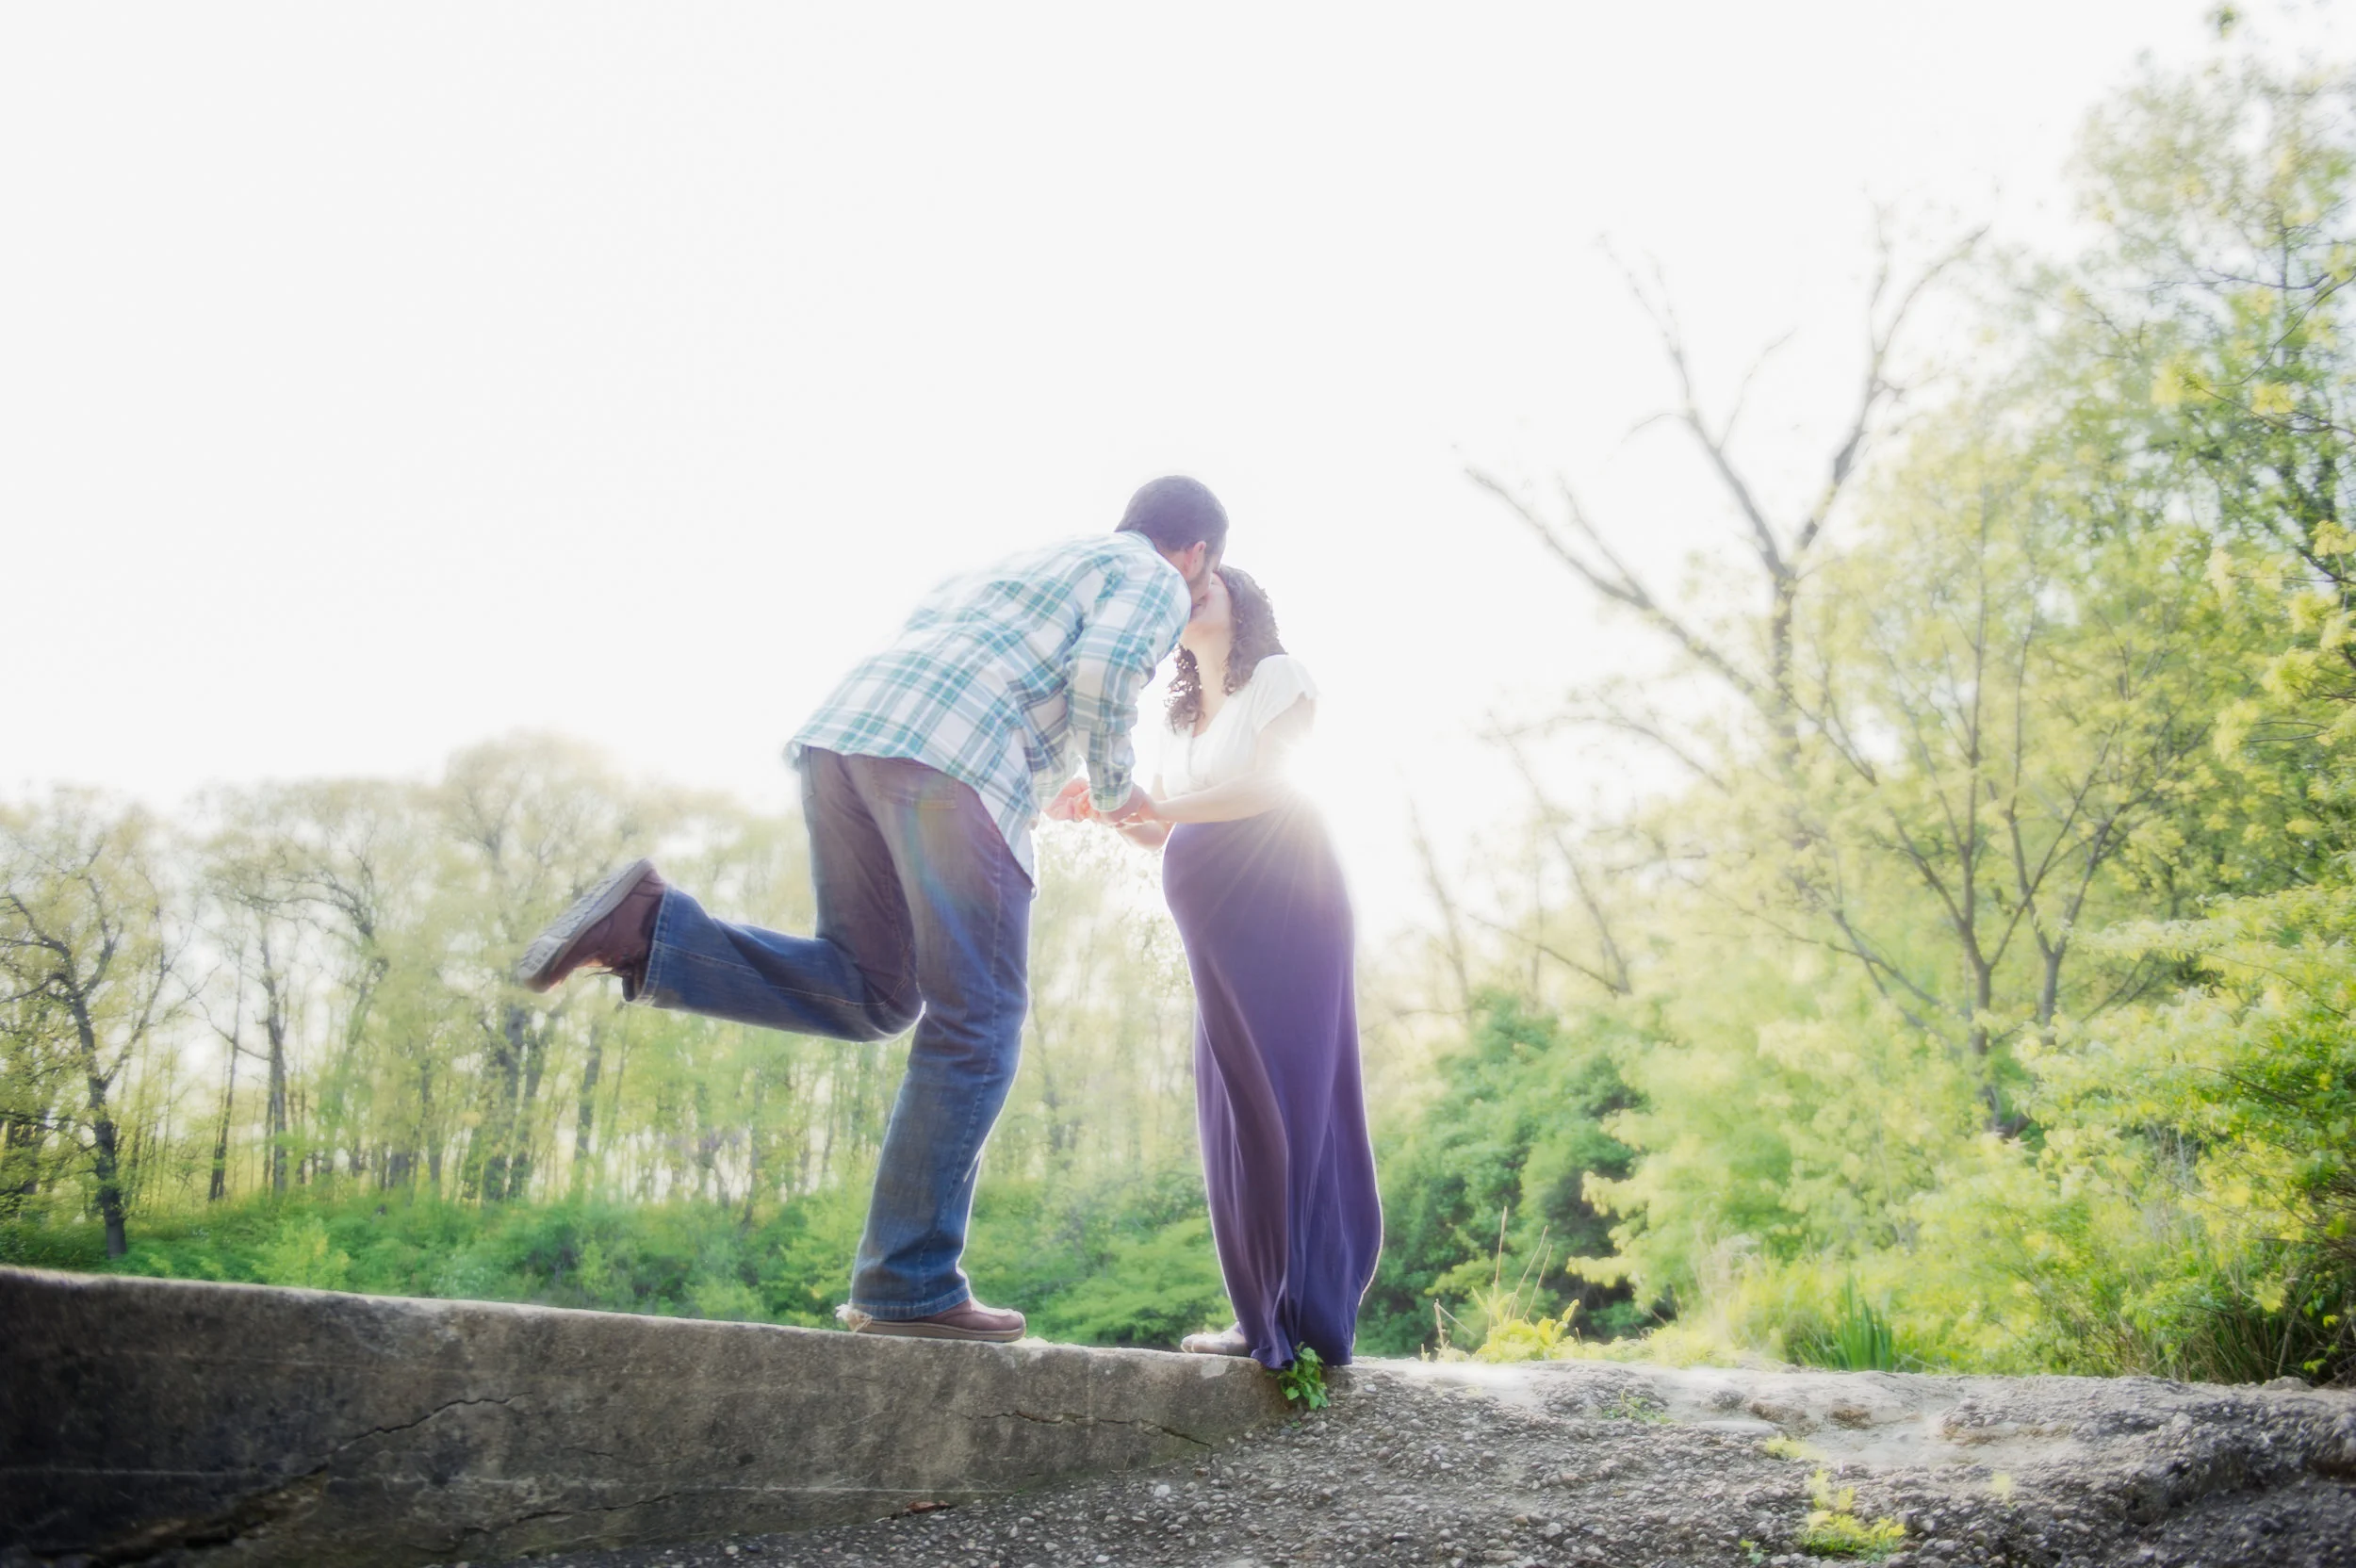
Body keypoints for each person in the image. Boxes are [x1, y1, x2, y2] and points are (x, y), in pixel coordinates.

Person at [514, 477, 1225, 1342]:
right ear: (1194, 553)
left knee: (874, 991)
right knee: (980, 1018)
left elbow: (986, 678)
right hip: (948, 763)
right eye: (1199, 580)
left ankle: (647, 929)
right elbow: (1108, 673)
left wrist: (1046, 785)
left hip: (846, 741)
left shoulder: (1024, 563)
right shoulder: (1152, 576)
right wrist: (1120, 795)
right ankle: (908, 1285)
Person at [1055, 564, 1381, 1369]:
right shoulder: (1176, 721)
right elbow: (1160, 830)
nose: (1192, 589)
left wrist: (1158, 807)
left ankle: (1305, 1310)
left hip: (1288, 909)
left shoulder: (1278, 677)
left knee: (1293, 1098)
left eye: (1209, 580)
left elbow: (1270, 787)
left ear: (1244, 599)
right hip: (1219, 939)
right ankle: (1259, 1312)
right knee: (1233, 1109)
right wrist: (1107, 804)